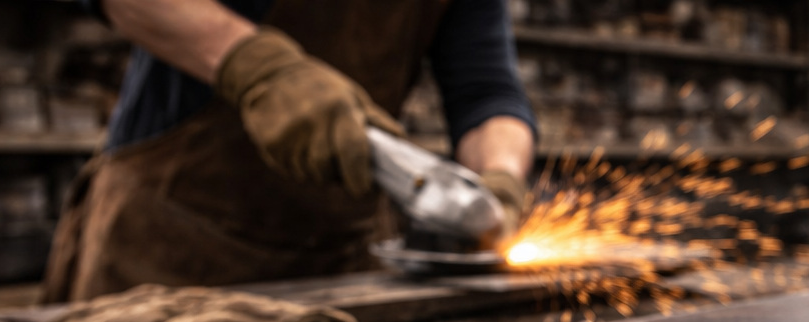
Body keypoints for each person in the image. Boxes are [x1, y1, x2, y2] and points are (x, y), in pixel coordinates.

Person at [46, 0, 536, 302]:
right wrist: (256, 67)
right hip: (171, 244)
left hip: (342, 258)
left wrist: (500, 179)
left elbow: (486, 93)